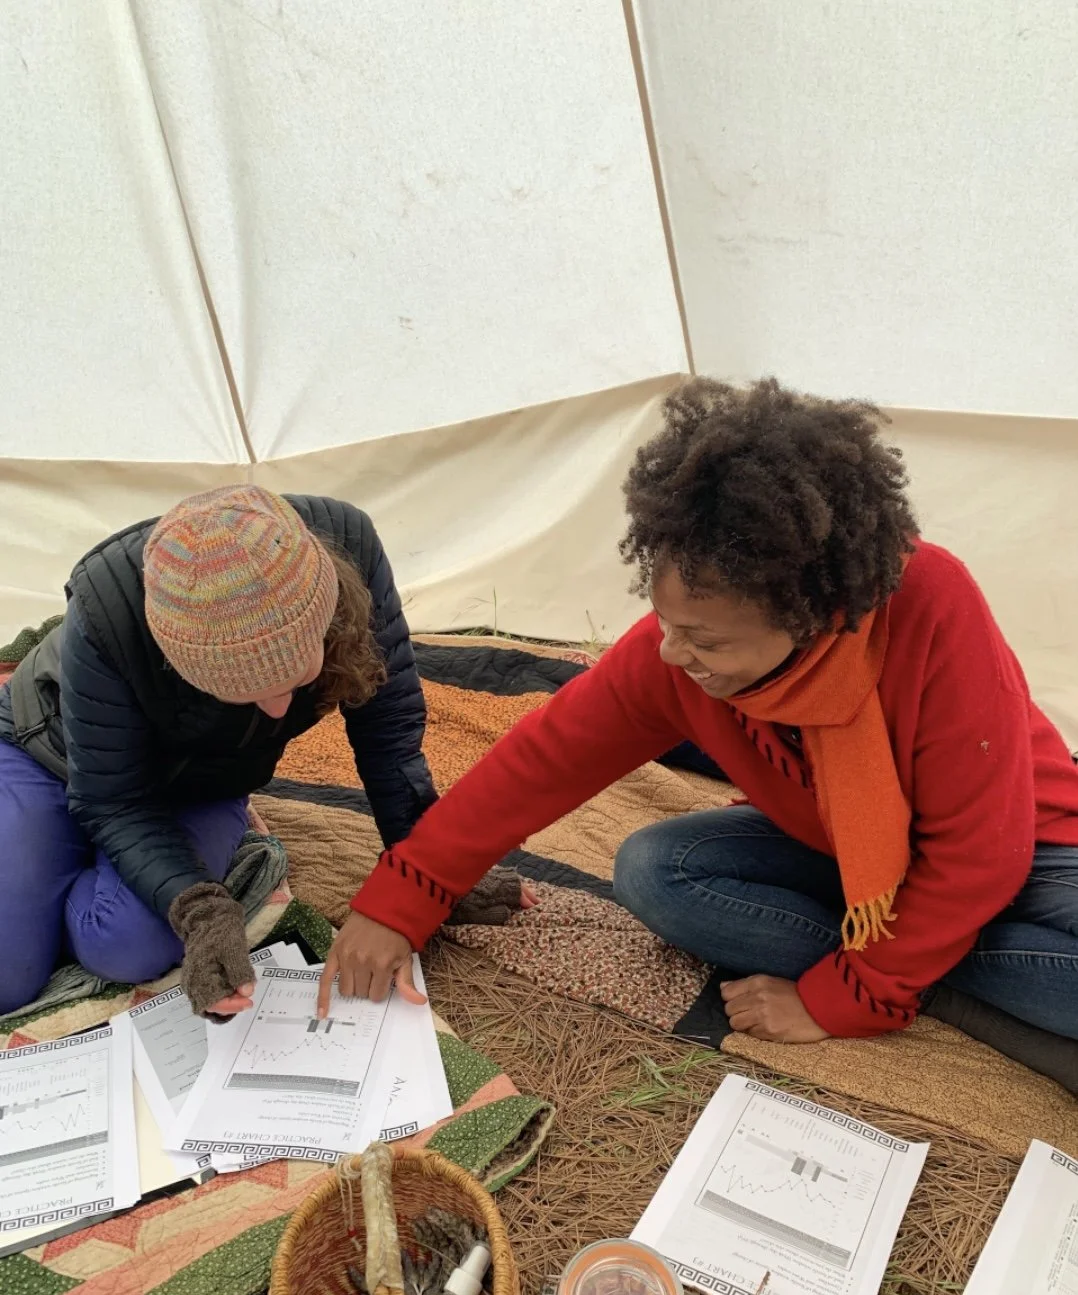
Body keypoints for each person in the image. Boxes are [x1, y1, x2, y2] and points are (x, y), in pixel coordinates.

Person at [326, 378, 1078, 1049]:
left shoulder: (932, 605)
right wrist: (401, 900)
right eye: (663, 623)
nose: (672, 655)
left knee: (988, 914)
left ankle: (911, 972)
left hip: (1035, 844)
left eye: (706, 639)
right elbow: (539, 764)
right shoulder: (673, 656)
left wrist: (842, 1000)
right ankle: (928, 970)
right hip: (846, 859)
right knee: (654, 871)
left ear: (809, 615)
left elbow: (982, 857)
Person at [0, 486, 521, 1018]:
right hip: (42, 750)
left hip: (199, 780)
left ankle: (61, 878)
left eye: (295, 681)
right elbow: (112, 799)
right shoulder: (105, 604)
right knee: (6, 977)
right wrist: (199, 905)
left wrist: (427, 869)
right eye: (241, 696)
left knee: (125, 947)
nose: (276, 713)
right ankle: (51, 870)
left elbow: (389, 731)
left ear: (327, 618)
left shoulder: (350, 547)